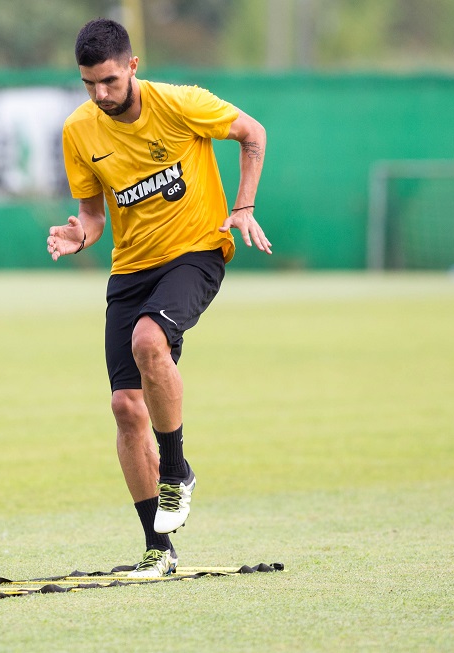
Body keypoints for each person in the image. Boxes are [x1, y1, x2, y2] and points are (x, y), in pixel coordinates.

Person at [47, 18, 272, 578]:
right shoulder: (79, 131)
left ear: (131, 68)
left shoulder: (180, 104)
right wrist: (81, 234)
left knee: (151, 339)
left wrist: (242, 207)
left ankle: (177, 472)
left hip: (196, 252)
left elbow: (253, 133)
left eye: (108, 81)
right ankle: (158, 550)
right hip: (131, 269)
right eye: (88, 84)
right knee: (126, 408)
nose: (100, 94)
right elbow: (95, 216)